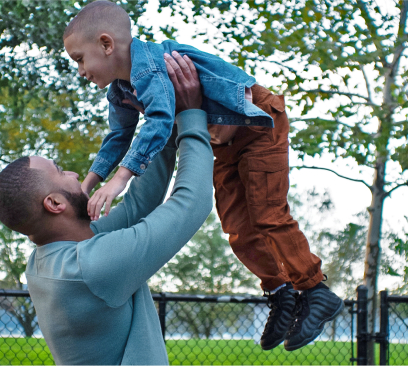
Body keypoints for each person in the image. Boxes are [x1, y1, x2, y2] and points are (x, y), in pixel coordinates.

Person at [62, 0, 344, 351]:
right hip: (221, 139)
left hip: (257, 122)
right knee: (237, 227)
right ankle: (281, 293)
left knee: (267, 214)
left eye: (79, 59)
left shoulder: (149, 66)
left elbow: (162, 120)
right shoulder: (119, 91)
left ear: (107, 45)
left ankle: (315, 290)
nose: (80, 71)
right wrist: (88, 184)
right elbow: (118, 136)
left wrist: (120, 180)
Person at [0, 55, 213, 364]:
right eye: (60, 171)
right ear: (55, 204)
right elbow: (192, 203)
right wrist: (191, 114)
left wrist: (165, 119)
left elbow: (138, 206)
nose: (72, 173)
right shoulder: (91, 268)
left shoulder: (52, 258)